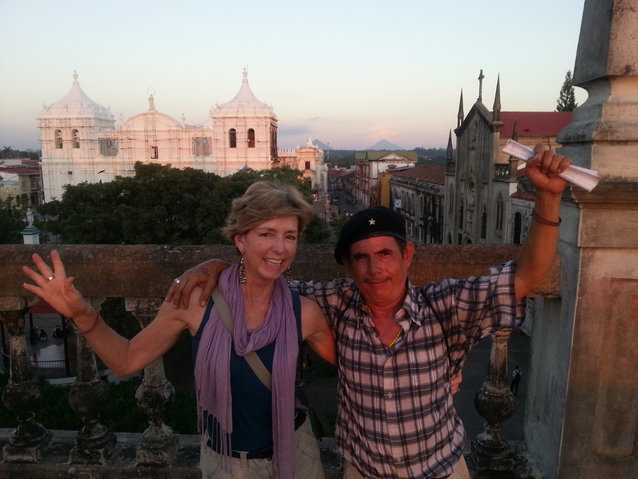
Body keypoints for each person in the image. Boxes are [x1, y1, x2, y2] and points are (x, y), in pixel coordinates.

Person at [166, 146, 572, 479]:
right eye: (361, 258)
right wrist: (214, 266)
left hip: (439, 469)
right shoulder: (330, 304)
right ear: (347, 266)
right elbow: (260, 277)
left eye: (385, 254)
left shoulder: (445, 305)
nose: (375, 269)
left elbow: (527, 276)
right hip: (364, 470)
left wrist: (549, 197)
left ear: (407, 256)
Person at [22, 181, 336, 479]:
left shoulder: (304, 312)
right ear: (241, 239)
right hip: (229, 463)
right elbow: (127, 360)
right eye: (267, 233)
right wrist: (81, 313)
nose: (280, 247)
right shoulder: (196, 301)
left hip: (297, 454)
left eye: (290, 236)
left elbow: (350, 360)